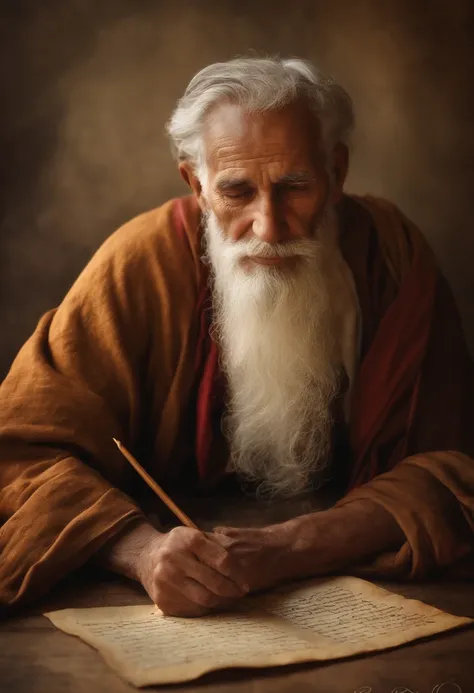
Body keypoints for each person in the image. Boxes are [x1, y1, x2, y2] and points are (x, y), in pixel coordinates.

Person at [0, 57, 473, 618]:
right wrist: (144, 552)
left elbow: (453, 467)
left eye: (294, 186)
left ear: (336, 172)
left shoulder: (391, 259)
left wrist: (288, 547)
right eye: (237, 191)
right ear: (196, 185)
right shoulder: (137, 266)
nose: (268, 227)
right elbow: (20, 452)